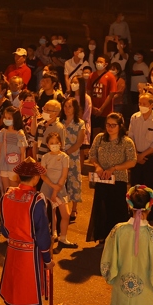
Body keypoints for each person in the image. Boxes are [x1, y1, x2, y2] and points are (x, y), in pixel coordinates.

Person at [0, 158, 54, 305]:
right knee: (29, 287)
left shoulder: (7, 194)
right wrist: (47, 258)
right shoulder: (37, 199)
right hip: (30, 252)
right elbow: (42, 233)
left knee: (13, 284)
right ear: (36, 178)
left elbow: (4, 227)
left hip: (13, 248)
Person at [86, 113, 137, 244]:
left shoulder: (127, 141)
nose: (110, 127)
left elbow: (132, 161)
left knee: (117, 209)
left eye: (113, 125)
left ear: (120, 126)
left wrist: (114, 168)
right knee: (102, 208)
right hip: (102, 179)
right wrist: (97, 166)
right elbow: (92, 154)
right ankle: (102, 236)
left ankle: (117, 238)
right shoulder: (99, 138)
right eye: (108, 124)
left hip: (118, 180)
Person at [128, 93, 153, 223]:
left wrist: (143, 155)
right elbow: (130, 137)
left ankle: (150, 215)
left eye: (144, 104)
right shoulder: (134, 117)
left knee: (150, 187)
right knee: (135, 186)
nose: (141, 106)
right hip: (136, 156)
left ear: (152, 105)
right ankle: (134, 212)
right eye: (140, 103)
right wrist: (136, 156)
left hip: (151, 157)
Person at [40, 132, 73, 248]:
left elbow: (64, 175)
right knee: (50, 212)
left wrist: (56, 190)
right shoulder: (45, 157)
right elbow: (42, 175)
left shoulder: (64, 157)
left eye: (56, 143)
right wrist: (52, 186)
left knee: (66, 214)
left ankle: (63, 238)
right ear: (48, 145)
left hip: (60, 188)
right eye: (51, 143)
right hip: (47, 187)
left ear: (60, 143)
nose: (54, 145)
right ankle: (53, 234)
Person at [62, 97, 87, 226]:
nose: (67, 109)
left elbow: (79, 142)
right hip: (60, 157)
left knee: (74, 180)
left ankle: (74, 208)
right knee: (61, 181)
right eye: (65, 106)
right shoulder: (60, 121)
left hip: (73, 156)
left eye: (70, 106)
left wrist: (67, 152)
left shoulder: (80, 123)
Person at [0, 106, 28, 196]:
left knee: (15, 193)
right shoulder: (3, 132)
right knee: (6, 193)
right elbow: (0, 150)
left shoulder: (20, 134)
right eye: (5, 117)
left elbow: (23, 153)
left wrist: (20, 171)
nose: (6, 120)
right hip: (3, 165)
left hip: (15, 167)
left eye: (9, 118)